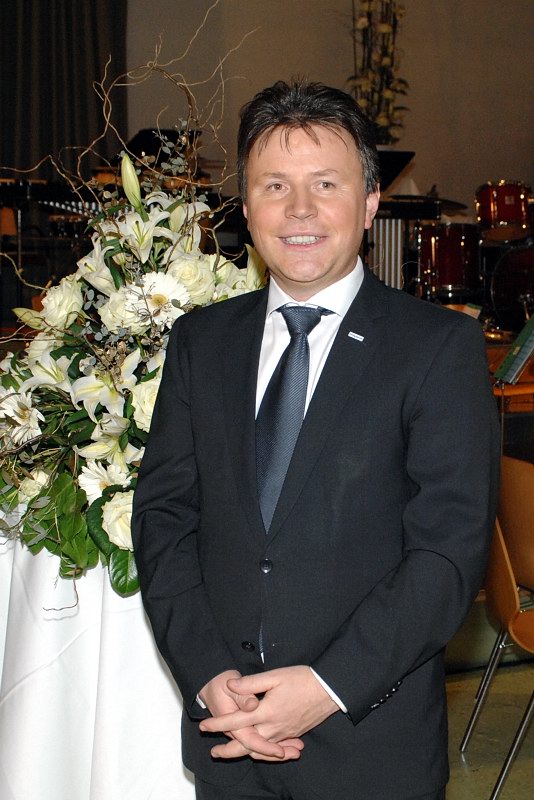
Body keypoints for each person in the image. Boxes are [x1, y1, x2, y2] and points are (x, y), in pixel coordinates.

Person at [132, 80, 500, 800]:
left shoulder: (436, 349)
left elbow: (447, 552)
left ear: (369, 202)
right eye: (275, 185)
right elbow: (164, 519)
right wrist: (209, 676)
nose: (299, 210)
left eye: (325, 184)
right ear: (247, 209)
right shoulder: (202, 342)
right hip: (229, 735)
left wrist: (328, 685)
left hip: (370, 744)